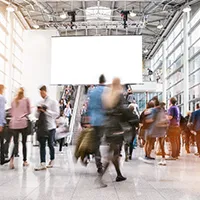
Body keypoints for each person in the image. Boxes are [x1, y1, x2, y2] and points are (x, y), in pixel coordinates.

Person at [99, 77, 127, 187]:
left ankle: (119, 174)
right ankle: (100, 177)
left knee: (114, 152)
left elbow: (106, 111)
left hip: (108, 126)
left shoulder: (107, 96)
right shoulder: (118, 95)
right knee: (112, 154)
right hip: (116, 127)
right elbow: (121, 111)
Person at [35, 85, 59, 171]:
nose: (41, 94)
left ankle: (52, 160)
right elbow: (36, 115)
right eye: (40, 92)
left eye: (42, 92)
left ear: (46, 91)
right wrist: (38, 111)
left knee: (50, 144)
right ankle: (42, 163)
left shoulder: (53, 101)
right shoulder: (40, 102)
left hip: (51, 126)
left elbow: (56, 114)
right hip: (42, 127)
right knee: (42, 145)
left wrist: (46, 111)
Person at [87, 74, 106, 174]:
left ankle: (99, 165)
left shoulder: (92, 91)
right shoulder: (108, 91)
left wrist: (90, 120)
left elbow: (89, 107)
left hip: (95, 121)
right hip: (107, 121)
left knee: (97, 143)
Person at [9, 87, 31, 169]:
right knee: (24, 143)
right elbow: (29, 112)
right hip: (23, 123)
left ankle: (11, 159)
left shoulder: (13, 101)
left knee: (15, 143)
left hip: (14, 123)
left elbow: (11, 112)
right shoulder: (26, 100)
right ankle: (25, 161)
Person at [0, 84, 10, 165]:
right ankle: (2, 159)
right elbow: (1, 112)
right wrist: (1, 123)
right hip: (0, 123)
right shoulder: (1, 98)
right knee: (1, 142)